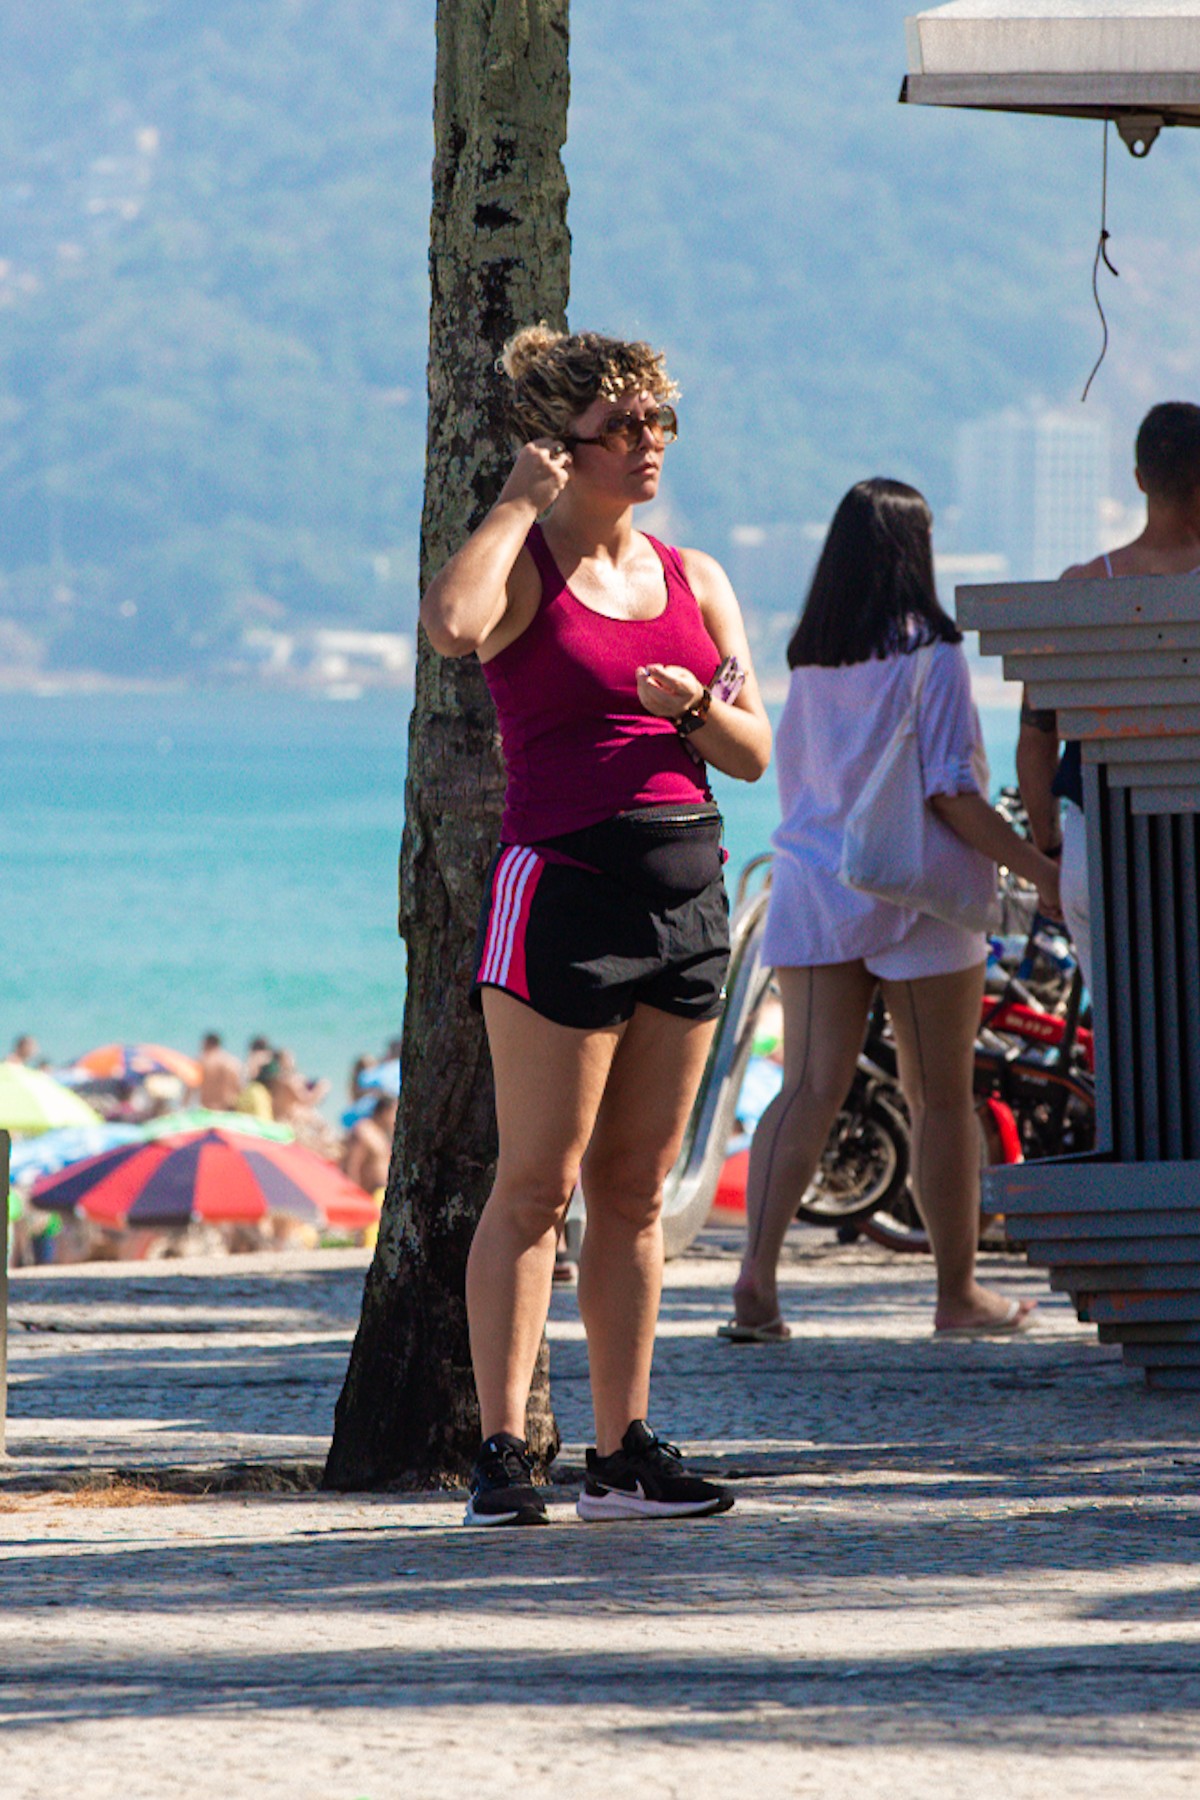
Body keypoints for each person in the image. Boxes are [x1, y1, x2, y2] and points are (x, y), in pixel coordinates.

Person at [420, 324, 771, 1527]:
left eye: (660, 422)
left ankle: (621, 1453)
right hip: (558, 890)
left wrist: (689, 716)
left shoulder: (699, 579)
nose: (649, 443)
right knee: (538, 1183)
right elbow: (452, 626)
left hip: (687, 896)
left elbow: (754, 751)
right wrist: (518, 504)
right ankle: (504, 1453)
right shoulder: (525, 564)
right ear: (562, 448)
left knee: (635, 1188)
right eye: (623, 427)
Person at [724, 478, 1061, 1344]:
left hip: (813, 885)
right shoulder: (932, 655)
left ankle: (756, 1282)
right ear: (918, 551)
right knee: (939, 1097)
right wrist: (1036, 870)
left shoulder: (811, 657)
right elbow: (949, 793)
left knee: (805, 1087)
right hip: (915, 897)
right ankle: (958, 1296)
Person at [1018, 401, 1200, 993]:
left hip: (1103, 846)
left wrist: (1047, 844)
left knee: (1125, 1042)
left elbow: (1036, 740)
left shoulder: (1082, 587)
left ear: (1140, 478)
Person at [343, 1094, 397, 1195]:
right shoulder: (365, 1131)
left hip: (379, 1192)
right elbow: (353, 1164)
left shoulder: (383, 1134)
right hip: (365, 1193)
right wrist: (353, 1193)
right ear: (384, 1112)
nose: (396, 1118)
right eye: (394, 1113)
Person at [197, 1032, 243, 1111]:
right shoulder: (233, 1062)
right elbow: (239, 1088)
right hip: (229, 1109)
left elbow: (191, 1086)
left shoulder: (202, 1061)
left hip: (209, 1109)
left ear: (206, 1043)